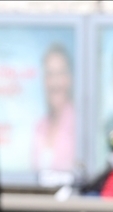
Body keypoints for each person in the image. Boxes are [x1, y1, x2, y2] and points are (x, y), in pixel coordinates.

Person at [32, 43, 76, 174]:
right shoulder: (40, 126)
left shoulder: (79, 124)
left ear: (70, 78)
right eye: (49, 74)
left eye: (60, 73)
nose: (54, 82)